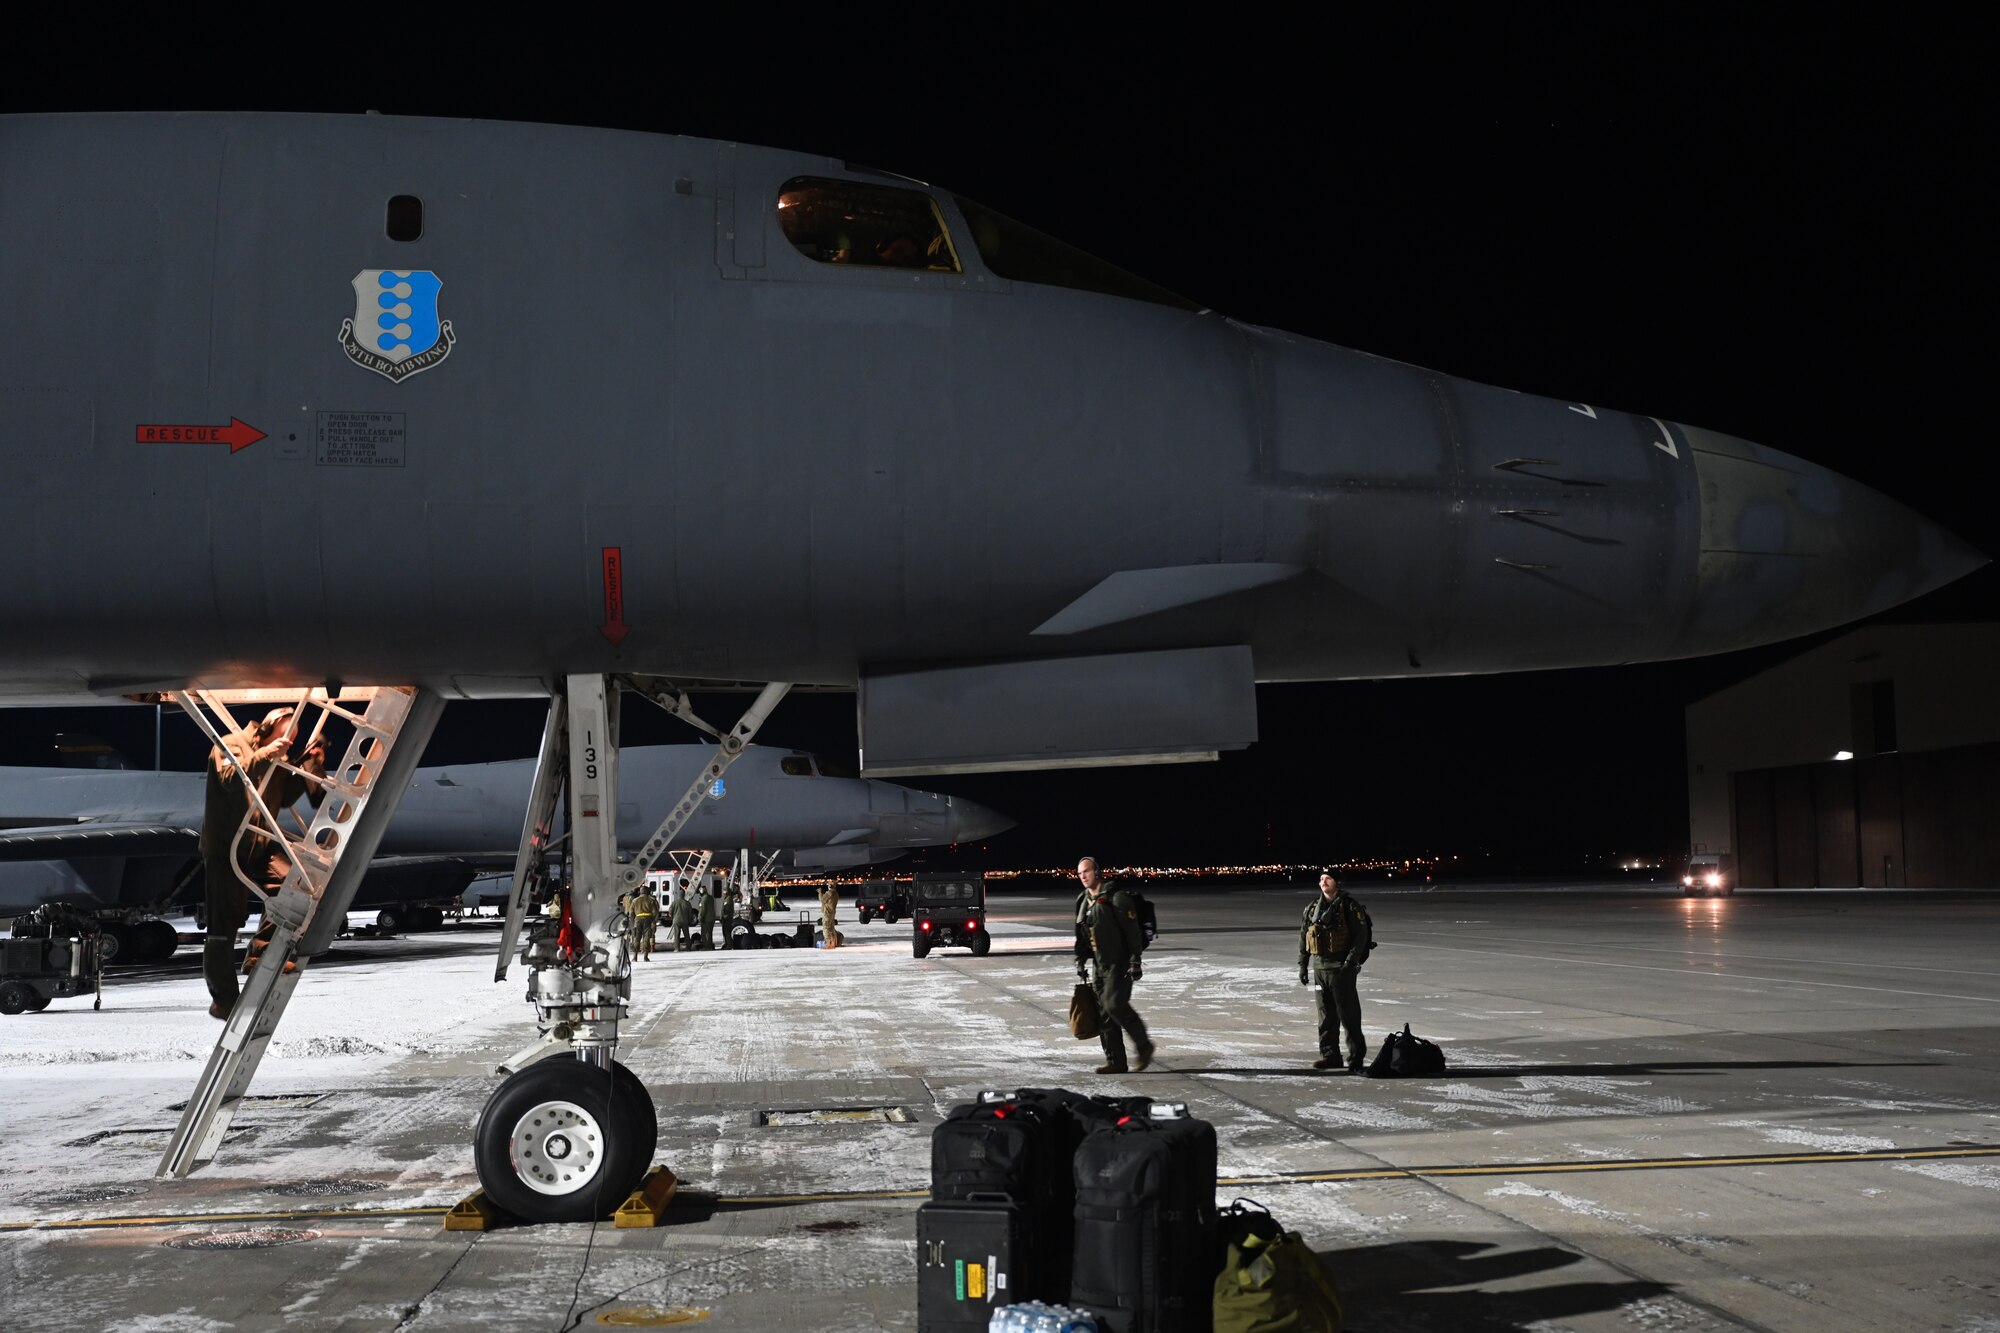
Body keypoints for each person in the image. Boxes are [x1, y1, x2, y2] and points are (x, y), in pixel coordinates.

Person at [199, 708, 314, 1019]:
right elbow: (229, 779)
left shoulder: (277, 754)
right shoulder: (231, 744)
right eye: (284, 734)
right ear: (269, 726)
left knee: (296, 888)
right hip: (227, 849)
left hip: (260, 846)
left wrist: (304, 764)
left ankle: (261, 952)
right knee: (224, 924)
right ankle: (223, 999)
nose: (287, 741)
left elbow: (285, 797)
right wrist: (266, 754)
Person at [1074, 857, 1153, 1073]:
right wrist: (1080, 960)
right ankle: (1116, 1061)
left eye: (1087, 871)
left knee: (1114, 1004)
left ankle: (1144, 1046)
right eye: (1080, 873)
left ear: (1097, 872)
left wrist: (1135, 961)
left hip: (1120, 962)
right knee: (1104, 1013)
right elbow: (1082, 936)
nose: (1083, 876)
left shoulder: (1117, 898)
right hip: (1099, 965)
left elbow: (1133, 932)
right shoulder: (1083, 901)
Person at [1298, 870, 1371, 1071]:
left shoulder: (1349, 907)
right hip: (1320, 972)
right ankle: (1330, 1055)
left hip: (1340, 971)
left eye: (1327, 878)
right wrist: (1303, 964)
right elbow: (1305, 936)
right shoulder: (1313, 908)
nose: (1323, 882)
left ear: (1337, 882)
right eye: (1321, 879)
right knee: (1325, 1015)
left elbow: (1360, 937)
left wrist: (1349, 964)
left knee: (1349, 1016)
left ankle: (1356, 1058)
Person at [629, 881, 659, 960]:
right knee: (646, 938)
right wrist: (654, 921)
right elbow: (655, 912)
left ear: (640, 892)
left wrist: (633, 922)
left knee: (637, 938)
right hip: (648, 920)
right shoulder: (651, 900)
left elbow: (631, 913)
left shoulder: (635, 900)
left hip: (638, 920)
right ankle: (645, 956)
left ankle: (635, 957)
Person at [669, 875, 694, 952]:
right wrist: (690, 920)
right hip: (685, 921)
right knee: (686, 935)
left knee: (677, 935)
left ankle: (676, 948)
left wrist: (673, 917)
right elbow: (690, 913)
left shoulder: (674, 903)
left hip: (676, 921)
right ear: (684, 895)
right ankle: (688, 947)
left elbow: (670, 912)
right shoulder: (687, 903)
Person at [818, 882, 841, 948]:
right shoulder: (836, 894)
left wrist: (820, 893)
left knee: (826, 928)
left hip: (827, 912)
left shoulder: (829, 893)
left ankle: (828, 944)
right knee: (831, 928)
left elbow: (822, 900)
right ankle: (834, 943)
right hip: (832, 913)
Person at [697, 875, 718, 950]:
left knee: (705, 933)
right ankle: (710, 945)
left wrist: (700, 918)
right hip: (711, 918)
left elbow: (703, 909)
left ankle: (707, 946)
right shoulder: (710, 897)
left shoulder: (704, 899)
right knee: (709, 932)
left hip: (706, 919)